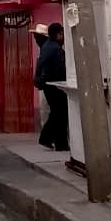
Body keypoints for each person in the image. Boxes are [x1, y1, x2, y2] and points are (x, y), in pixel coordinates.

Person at [35, 22, 69, 150]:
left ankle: (50, 139)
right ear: (58, 34)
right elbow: (60, 69)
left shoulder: (46, 47)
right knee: (60, 114)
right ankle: (56, 141)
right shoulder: (55, 49)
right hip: (55, 85)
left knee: (56, 113)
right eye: (62, 34)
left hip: (48, 85)